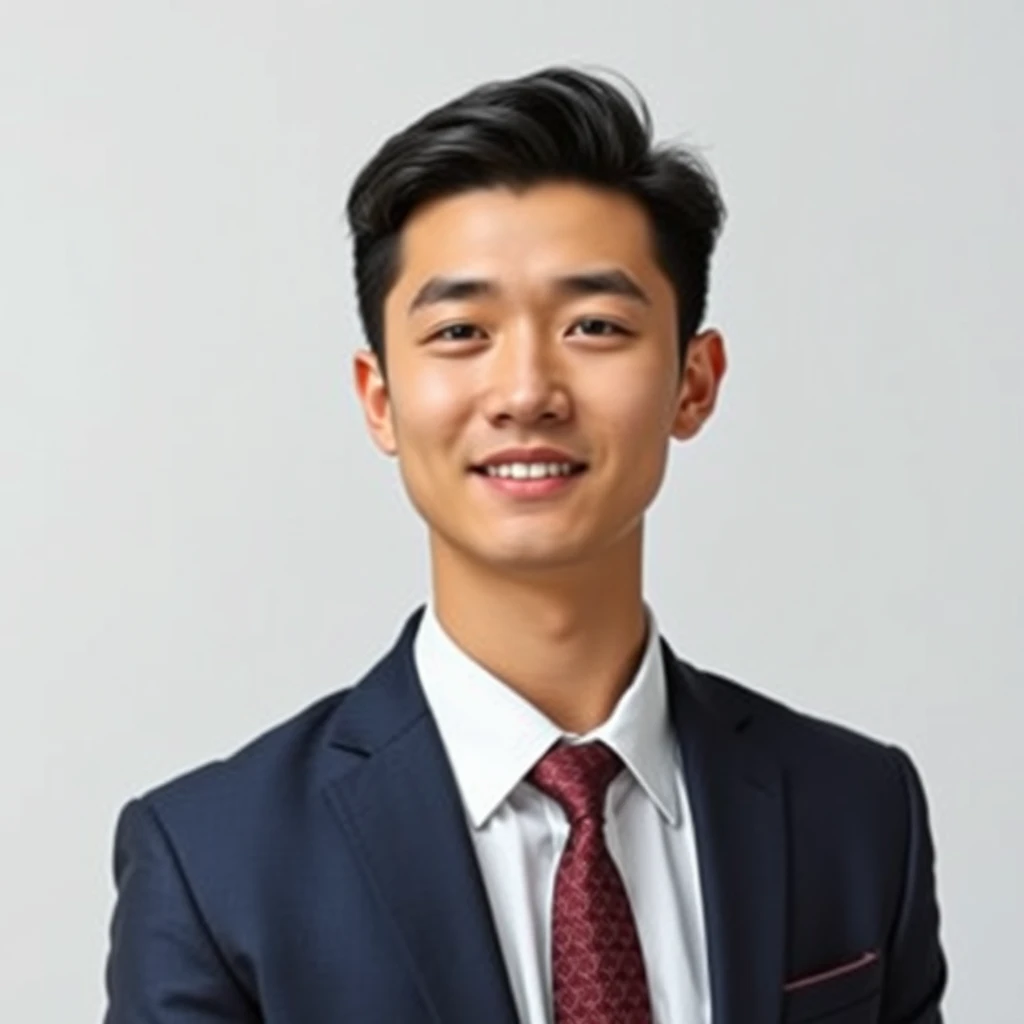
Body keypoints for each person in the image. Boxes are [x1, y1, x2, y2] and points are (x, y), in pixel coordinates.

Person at [103, 66, 947, 1023]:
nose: (526, 391)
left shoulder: (858, 812)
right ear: (380, 399)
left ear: (693, 383)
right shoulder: (215, 862)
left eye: (595, 325)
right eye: (462, 330)